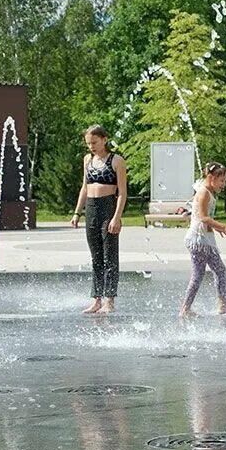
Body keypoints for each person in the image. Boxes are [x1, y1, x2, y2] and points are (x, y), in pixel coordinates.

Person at [71, 126, 127, 314]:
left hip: (108, 208)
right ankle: (97, 299)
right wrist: (77, 213)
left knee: (110, 256)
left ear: (104, 139)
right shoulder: (87, 160)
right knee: (96, 257)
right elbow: (84, 189)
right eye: (88, 143)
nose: (91, 147)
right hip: (91, 210)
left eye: (94, 142)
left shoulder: (117, 161)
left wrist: (116, 217)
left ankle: (109, 300)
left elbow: (122, 193)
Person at [180, 162, 226, 317]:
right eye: (222, 180)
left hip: (202, 239)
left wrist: (216, 229)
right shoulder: (204, 192)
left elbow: (205, 219)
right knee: (219, 270)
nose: (224, 184)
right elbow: (202, 217)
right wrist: (223, 227)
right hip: (199, 240)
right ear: (211, 177)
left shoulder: (208, 192)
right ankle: (221, 305)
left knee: (200, 274)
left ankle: (186, 308)